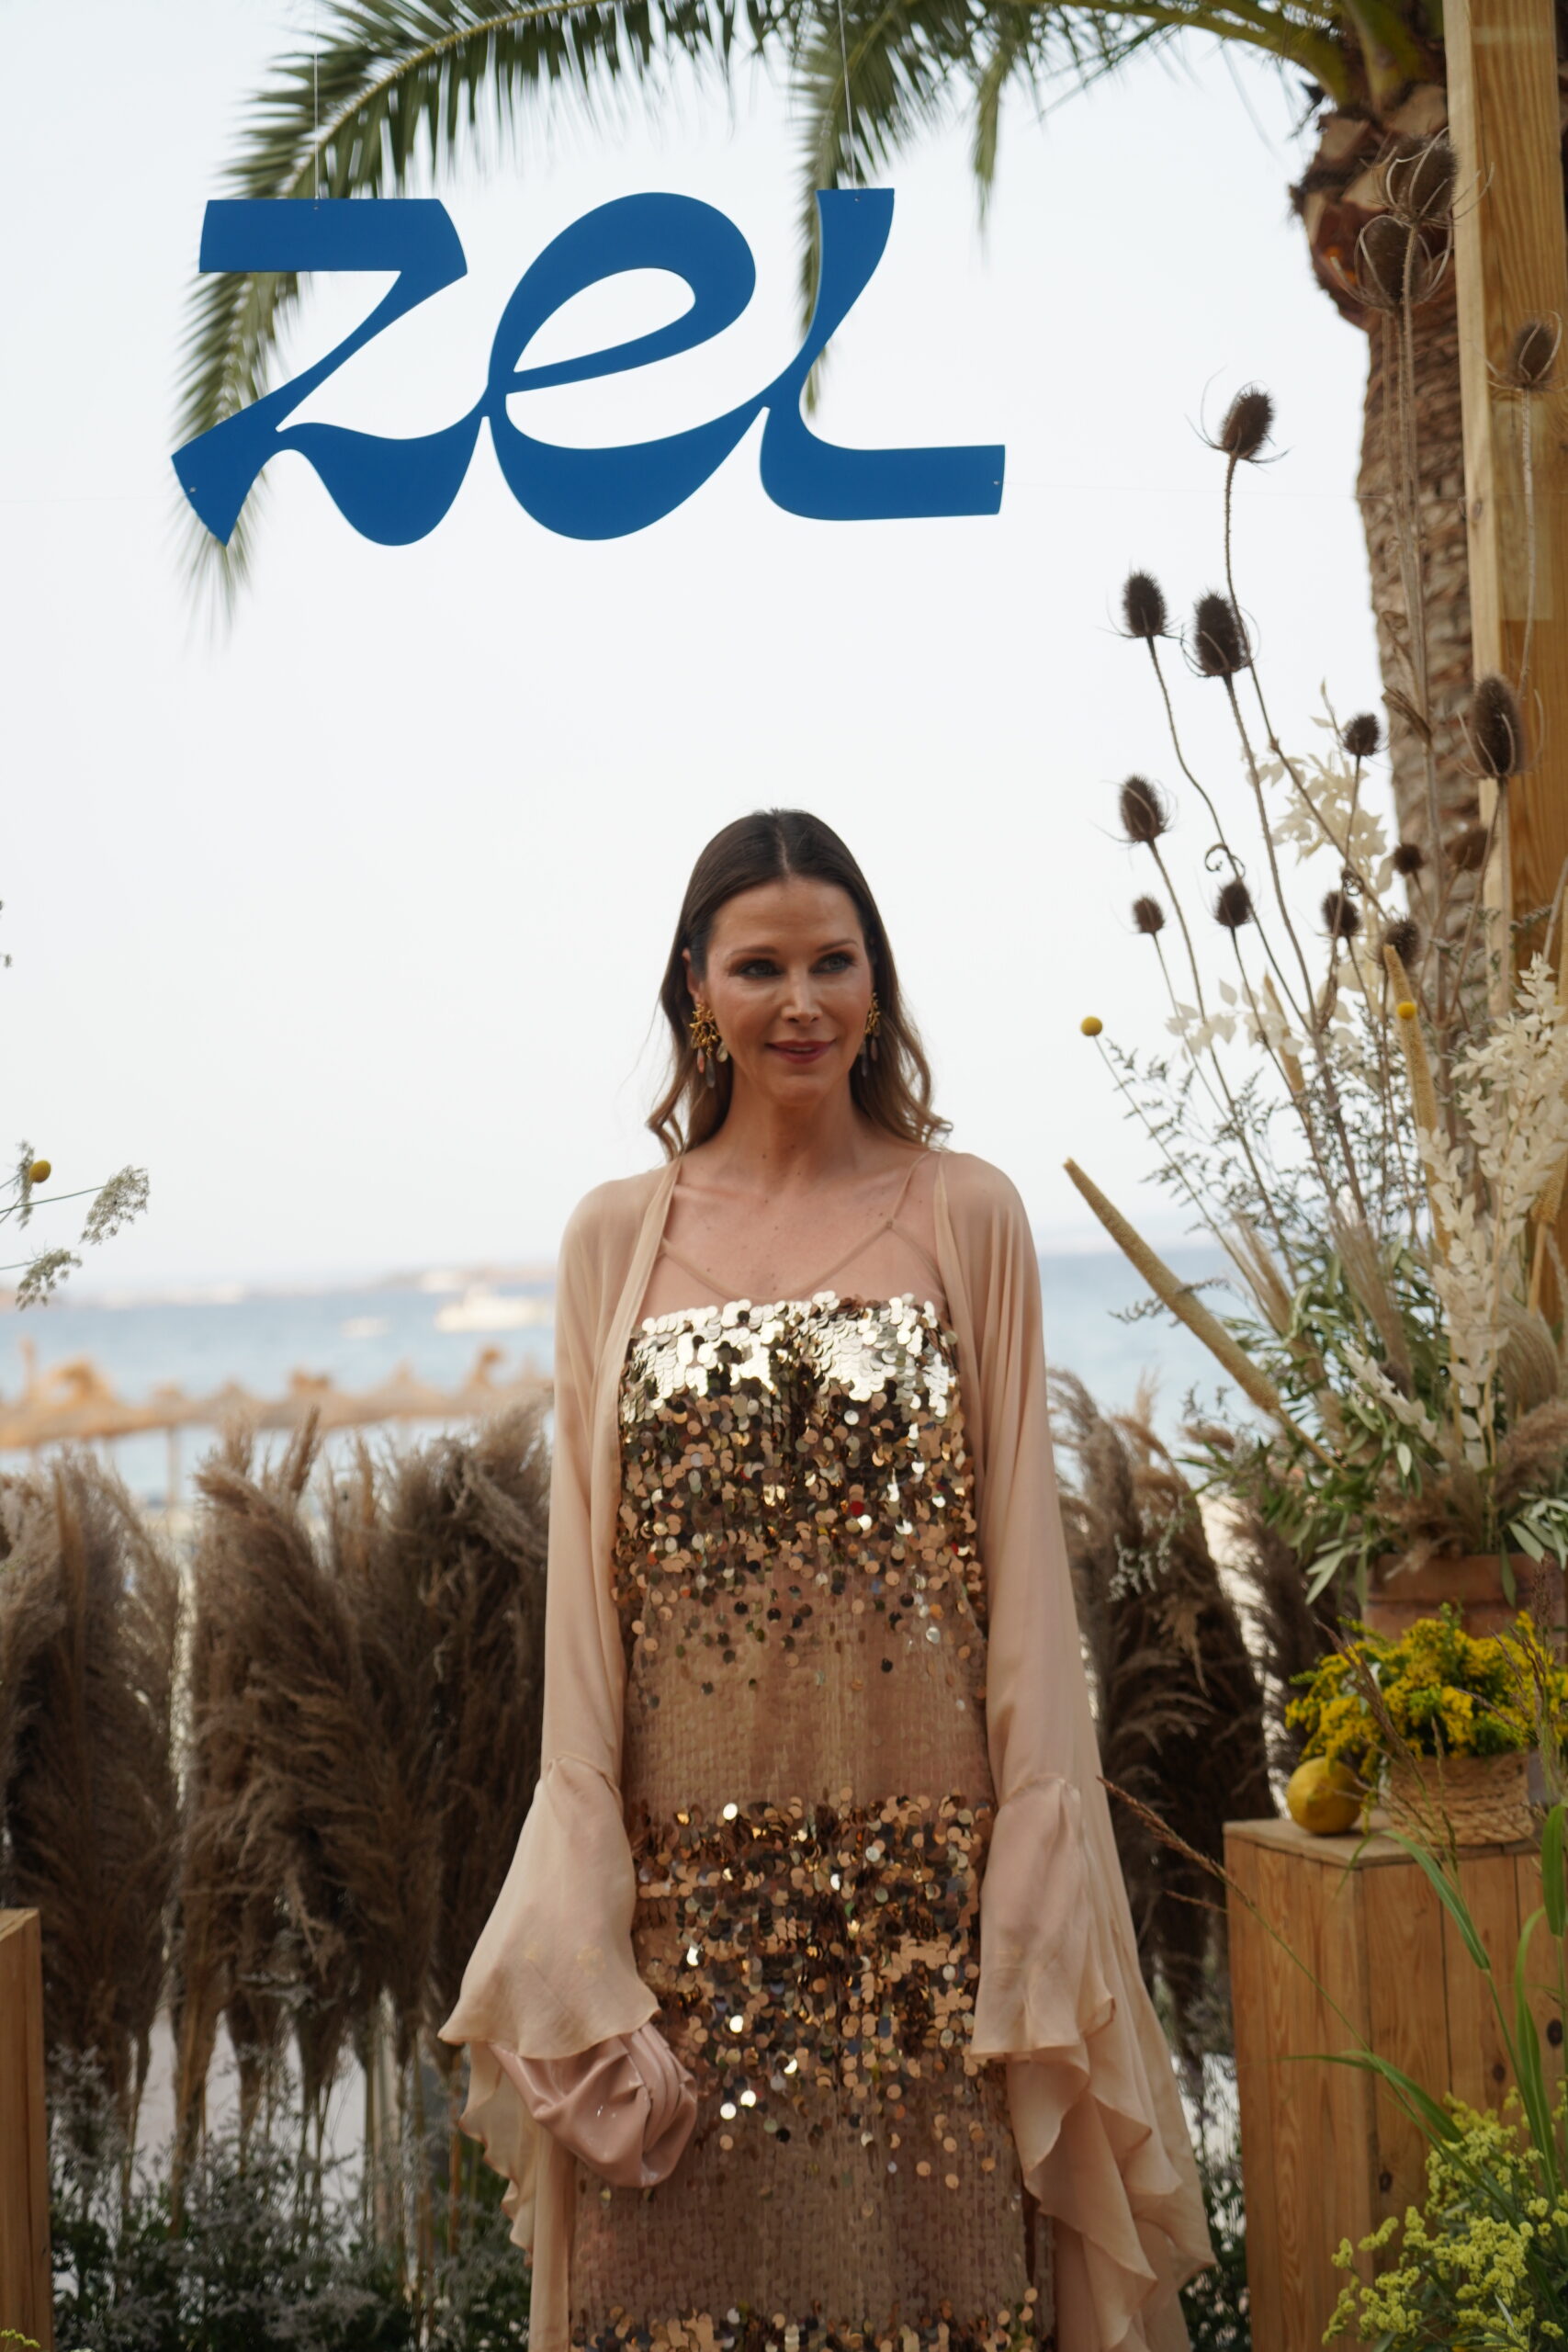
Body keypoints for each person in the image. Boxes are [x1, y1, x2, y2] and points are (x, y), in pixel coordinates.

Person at [440, 810, 1211, 2352]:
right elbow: (586, 1612)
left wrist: (1030, 1879)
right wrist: (586, 1910)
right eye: (761, 967)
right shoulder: (614, 1239)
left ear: (877, 982)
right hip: (685, 1915)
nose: (801, 1002)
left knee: (945, 2302)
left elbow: (1025, 1582)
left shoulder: (967, 1213)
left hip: (932, 1911)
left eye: (833, 963)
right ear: (696, 987)